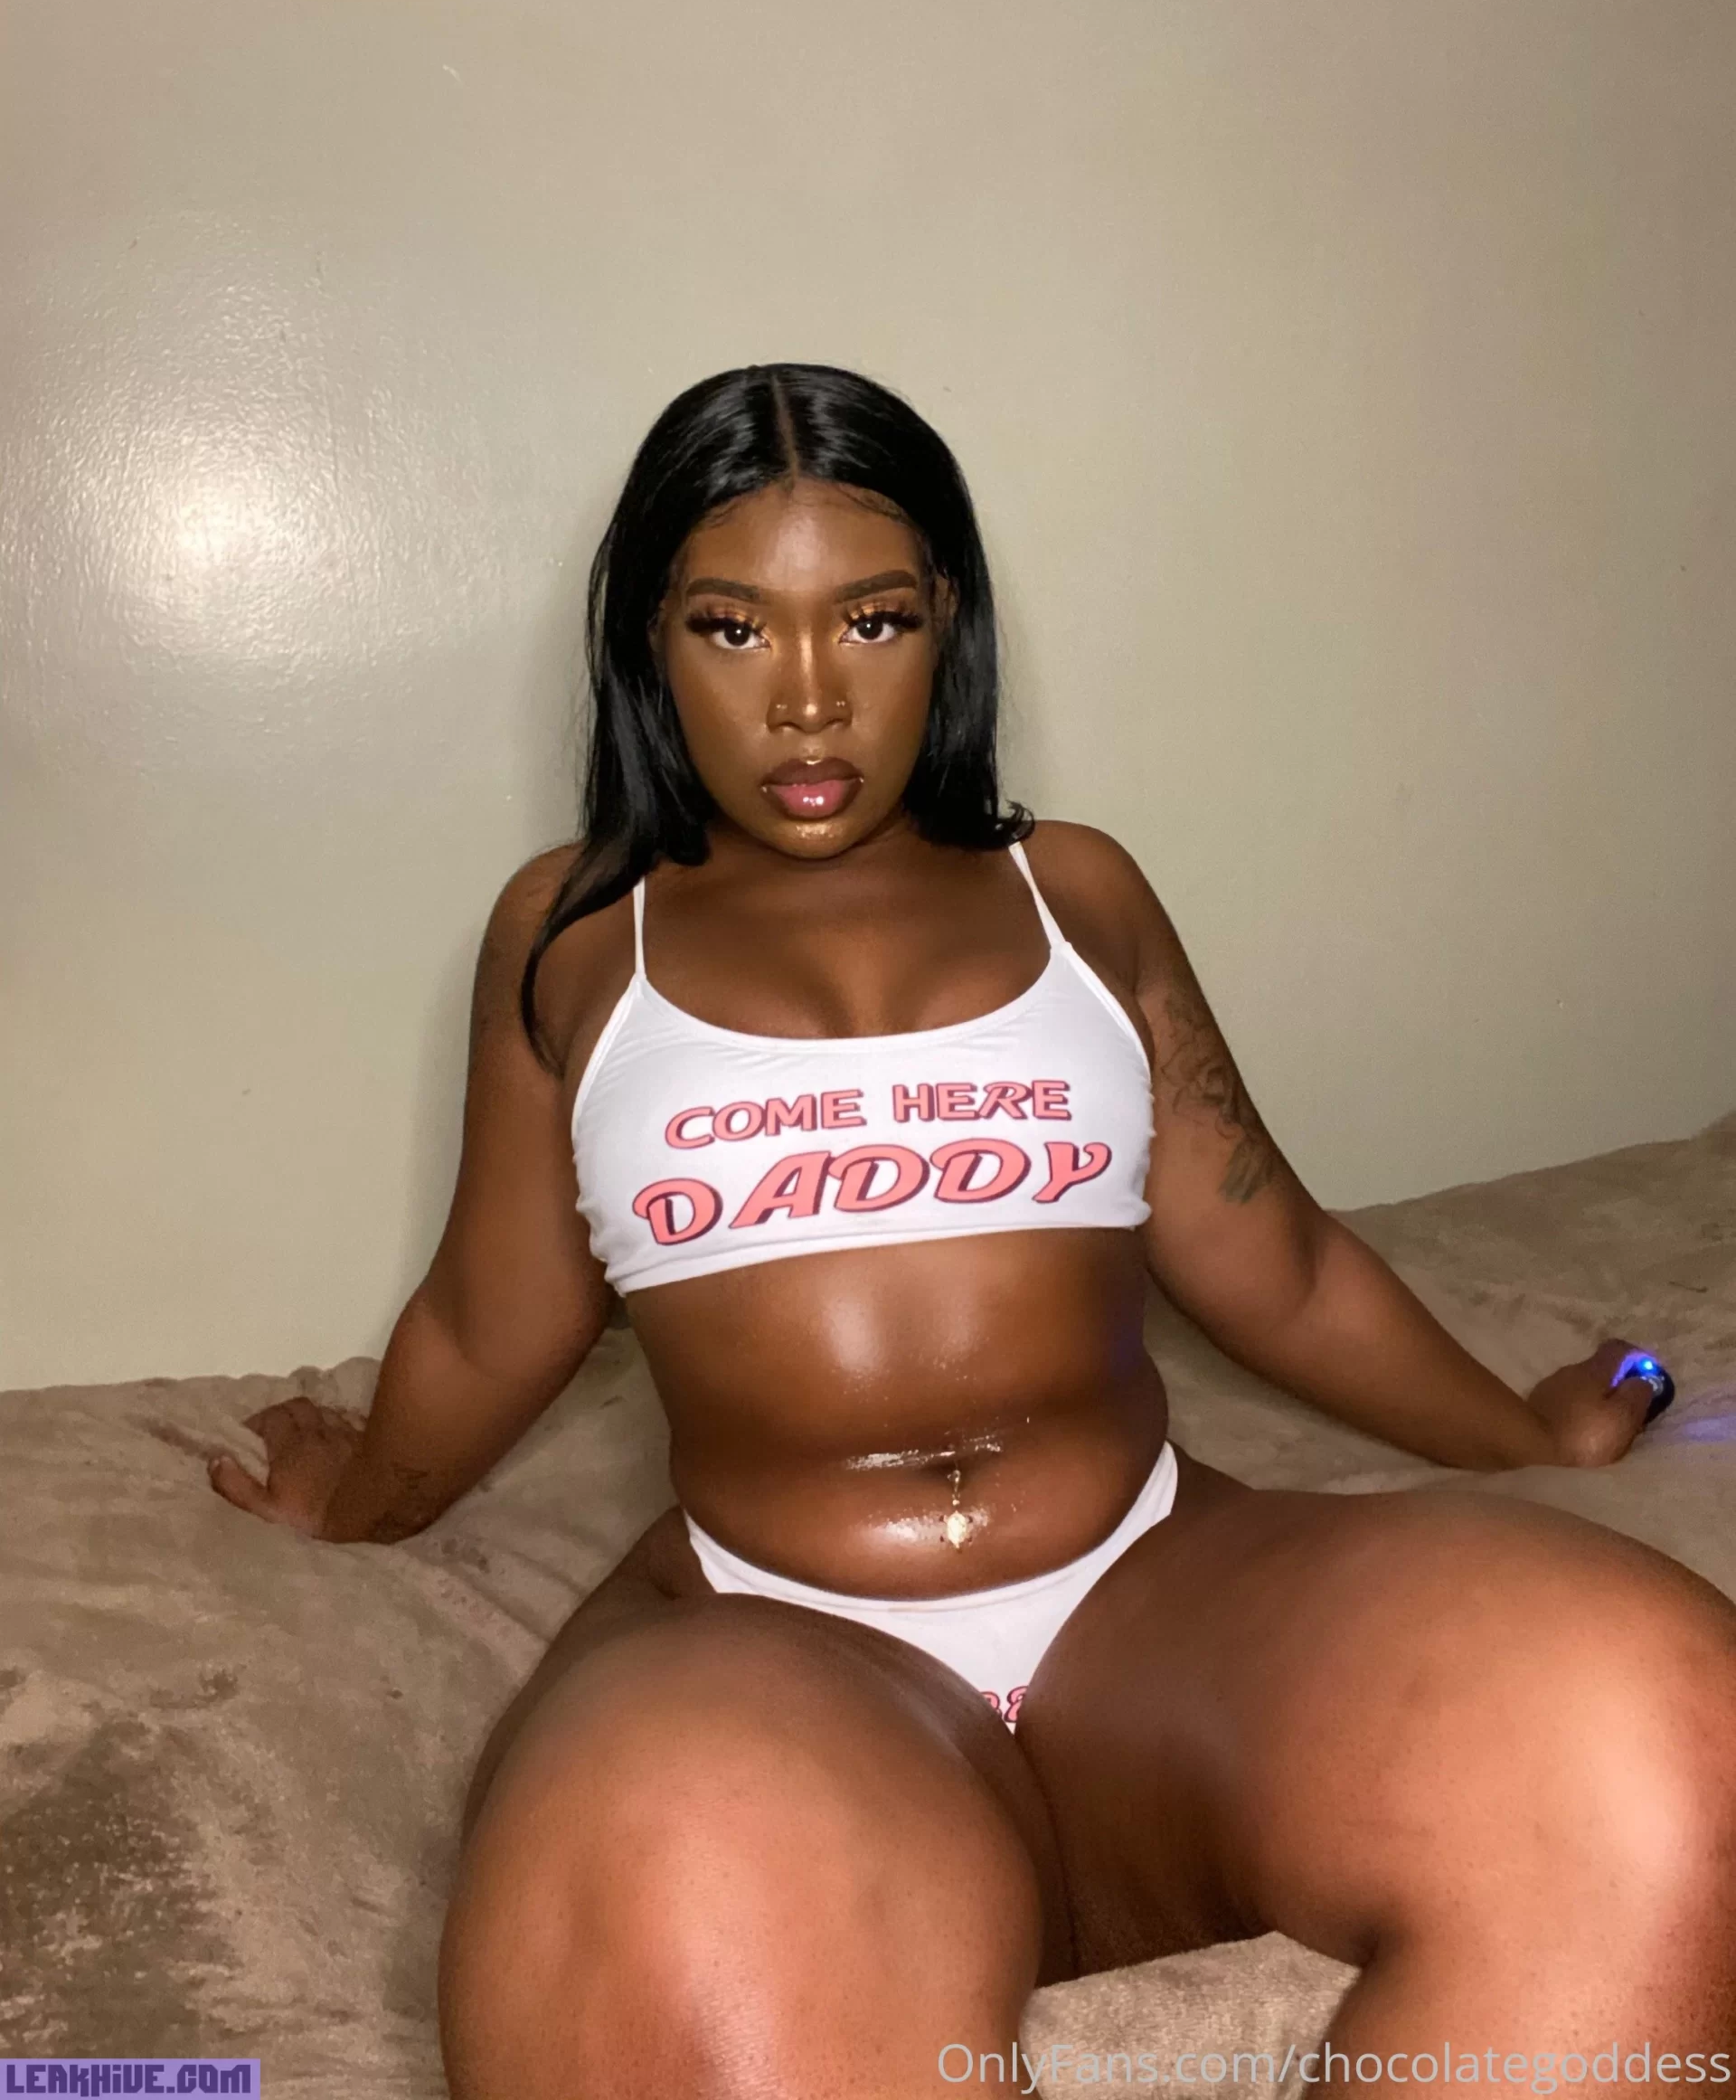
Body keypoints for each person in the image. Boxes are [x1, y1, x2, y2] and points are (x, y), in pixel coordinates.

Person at [210, 364, 1736, 2099]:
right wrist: (361, 1497)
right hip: (784, 1637)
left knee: (1659, 1736)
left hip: (1149, 1594)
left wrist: (1523, 1435)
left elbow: (1278, 1257)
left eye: (869, 620)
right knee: (666, 1894)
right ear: (649, 645)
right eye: (732, 628)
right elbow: (495, 1323)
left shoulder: (1073, 892)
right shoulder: (570, 936)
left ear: (946, 621)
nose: (807, 699)